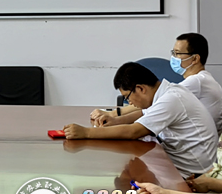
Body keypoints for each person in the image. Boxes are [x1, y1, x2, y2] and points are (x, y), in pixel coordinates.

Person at [65, 62, 217, 178]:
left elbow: (133, 132)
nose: (129, 103)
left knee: (134, 175)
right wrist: (116, 121)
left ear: (140, 88)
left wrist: (86, 132)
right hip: (184, 163)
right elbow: (143, 113)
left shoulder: (171, 99)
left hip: (193, 173)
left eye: (127, 97)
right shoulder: (168, 92)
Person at [90, 33, 222, 135]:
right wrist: (116, 117)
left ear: (195, 58)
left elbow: (155, 105)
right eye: (173, 53)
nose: (173, 58)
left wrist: (115, 114)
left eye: (177, 54)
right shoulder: (201, 79)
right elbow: (152, 108)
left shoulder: (197, 82)